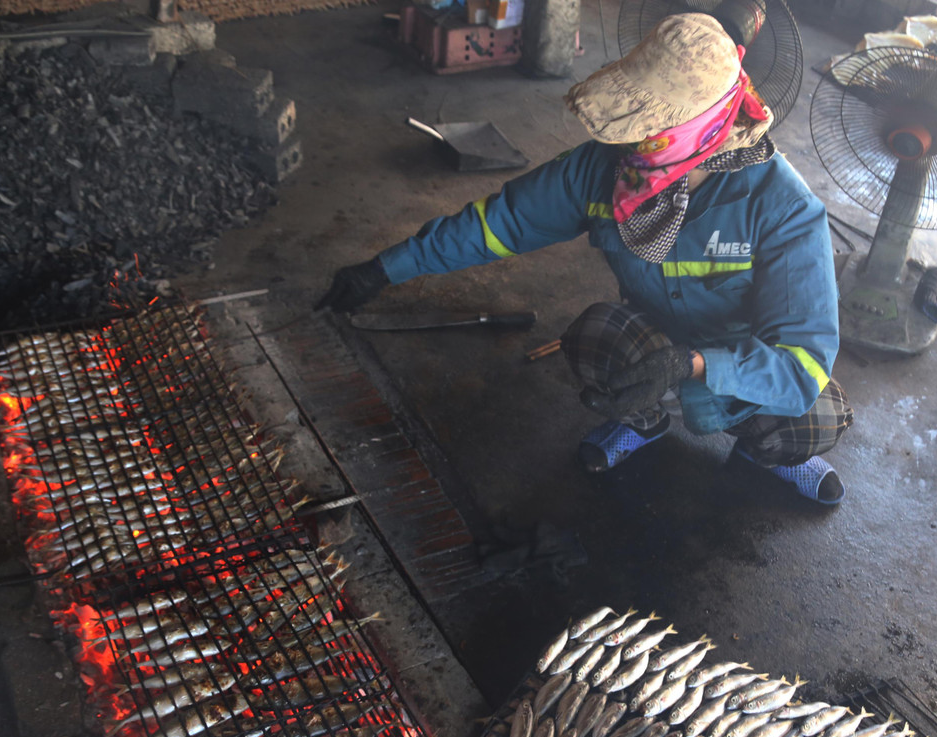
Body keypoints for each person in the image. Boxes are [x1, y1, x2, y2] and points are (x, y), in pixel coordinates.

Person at [317, 13, 853, 504]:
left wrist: (694, 364)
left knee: (816, 416)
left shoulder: (784, 206)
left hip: (740, 369)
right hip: (652, 340)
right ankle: (644, 421)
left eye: (647, 128)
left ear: (702, 126)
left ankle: (765, 454)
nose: (630, 142)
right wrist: (386, 267)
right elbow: (499, 224)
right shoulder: (603, 167)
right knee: (594, 336)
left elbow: (801, 363)